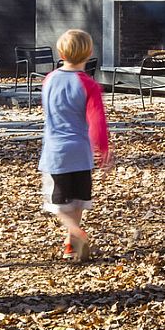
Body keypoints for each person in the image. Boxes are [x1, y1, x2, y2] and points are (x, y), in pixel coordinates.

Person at [40, 29, 111, 261]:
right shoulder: (88, 85)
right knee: (79, 200)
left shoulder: (49, 80)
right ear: (89, 53)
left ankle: (75, 232)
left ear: (61, 52)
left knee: (59, 204)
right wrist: (103, 150)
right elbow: (97, 121)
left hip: (56, 152)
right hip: (81, 153)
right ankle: (73, 240)